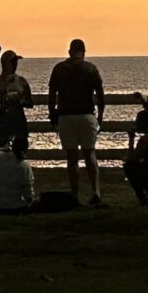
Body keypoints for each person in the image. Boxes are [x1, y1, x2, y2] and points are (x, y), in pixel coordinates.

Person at [48, 38, 107, 207]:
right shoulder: (91, 69)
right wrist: (100, 116)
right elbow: (100, 95)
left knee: (72, 158)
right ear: (83, 52)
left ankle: (75, 194)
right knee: (90, 154)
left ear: (69, 52)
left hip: (66, 116)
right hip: (87, 115)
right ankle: (95, 191)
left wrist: (52, 115)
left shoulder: (59, 69)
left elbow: (52, 95)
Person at [0, 50, 34, 160]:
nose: (15, 65)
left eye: (16, 62)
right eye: (12, 62)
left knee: (19, 157)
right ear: (4, 64)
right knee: (1, 156)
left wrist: (20, 99)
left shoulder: (21, 82)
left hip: (18, 125)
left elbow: (30, 103)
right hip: (1, 126)